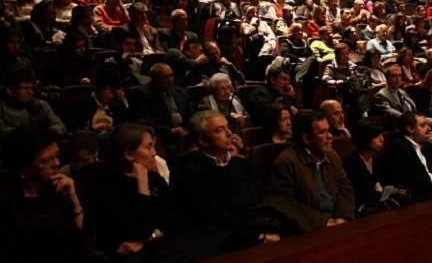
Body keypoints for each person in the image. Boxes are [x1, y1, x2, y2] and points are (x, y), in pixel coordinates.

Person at [172, 110, 282, 254]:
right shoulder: (190, 172)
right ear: (203, 140)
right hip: (222, 244)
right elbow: (213, 219)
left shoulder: (240, 164)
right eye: (220, 130)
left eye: (227, 127)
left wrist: (268, 230)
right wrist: (256, 237)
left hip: (256, 232)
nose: (229, 133)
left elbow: (259, 201)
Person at [76, 124, 177, 261]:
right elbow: (137, 230)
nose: (154, 153)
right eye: (148, 147)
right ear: (129, 153)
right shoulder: (100, 180)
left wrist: (149, 238)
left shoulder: (154, 179)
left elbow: (171, 221)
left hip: (156, 249)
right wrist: (142, 185)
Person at [0, 127, 85, 263]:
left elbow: (83, 240)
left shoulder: (60, 188)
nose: (56, 163)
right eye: (46, 161)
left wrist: (74, 201)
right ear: (23, 168)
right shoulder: (7, 199)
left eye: (56, 156)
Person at [266, 110, 355, 233]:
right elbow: (288, 205)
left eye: (328, 130)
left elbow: (345, 188)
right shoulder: (286, 162)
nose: (330, 136)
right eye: (322, 133)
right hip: (311, 229)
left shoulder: (332, 155)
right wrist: (323, 223)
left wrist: (343, 217)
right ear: (307, 138)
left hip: (339, 222)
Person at [383, 111, 432, 202]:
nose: (429, 128)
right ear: (410, 129)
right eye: (423, 125)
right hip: (418, 195)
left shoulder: (425, 143)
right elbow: (407, 180)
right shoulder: (399, 147)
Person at [342, 120, 391, 215]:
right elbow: (359, 195)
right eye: (377, 136)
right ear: (365, 139)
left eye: (381, 135)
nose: (382, 139)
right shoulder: (351, 163)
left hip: (380, 206)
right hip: (363, 211)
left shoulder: (378, 159)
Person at [0, 71, 66, 141]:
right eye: (25, 88)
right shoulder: (2, 109)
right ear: (10, 90)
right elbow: (3, 132)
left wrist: (48, 132)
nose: (30, 92)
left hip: (46, 141)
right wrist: (30, 133)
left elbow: (60, 125)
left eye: (31, 88)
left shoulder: (41, 105)